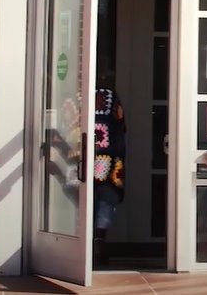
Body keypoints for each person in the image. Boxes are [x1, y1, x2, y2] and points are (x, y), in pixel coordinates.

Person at [92, 72, 126, 268]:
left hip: (86, 157)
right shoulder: (113, 99)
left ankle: (88, 244)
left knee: (82, 200)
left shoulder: (77, 95)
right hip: (110, 158)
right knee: (106, 201)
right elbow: (120, 127)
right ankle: (98, 243)